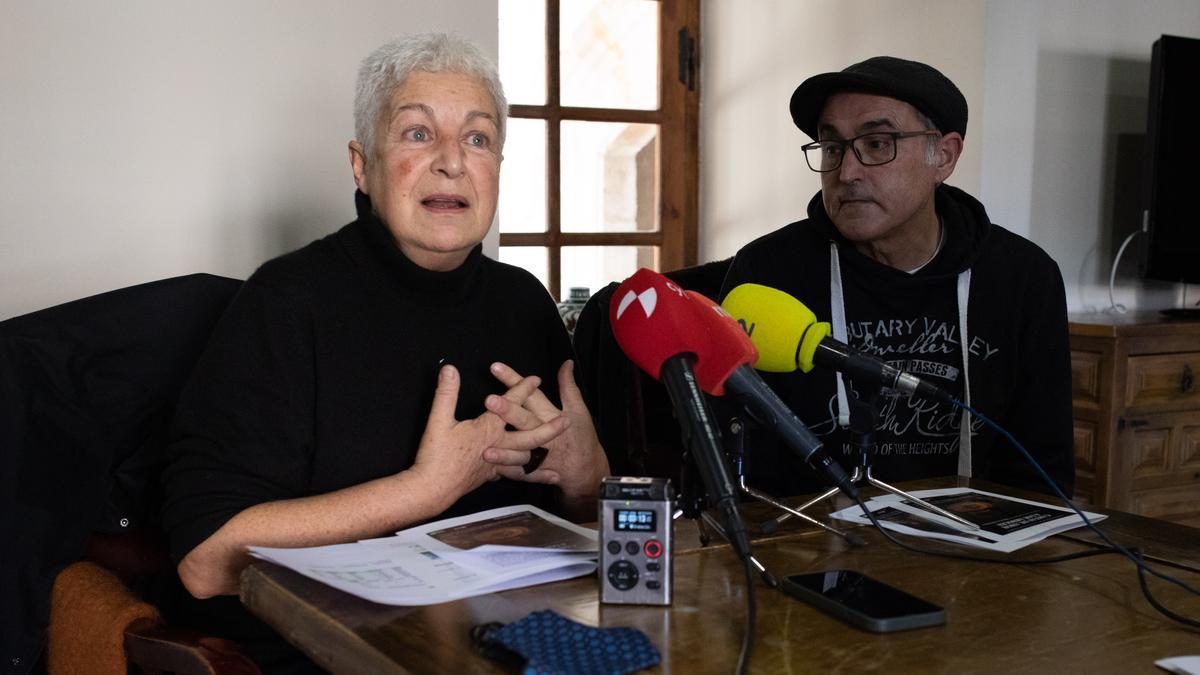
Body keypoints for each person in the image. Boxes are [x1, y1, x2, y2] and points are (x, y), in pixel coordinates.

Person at [160, 32, 609, 670]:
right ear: (361, 164)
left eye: (478, 139)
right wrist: (421, 491)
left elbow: (589, 532)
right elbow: (206, 563)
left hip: (520, 644)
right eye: (418, 133)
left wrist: (588, 477)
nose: (453, 162)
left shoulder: (526, 303)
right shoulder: (286, 302)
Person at [718, 56, 1074, 499]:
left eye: (878, 144)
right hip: (808, 538)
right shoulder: (768, 274)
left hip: (974, 545)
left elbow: (1042, 469)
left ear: (943, 156)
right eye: (832, 149)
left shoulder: (1023, 277)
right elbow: (733, 464)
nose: (846, 172)